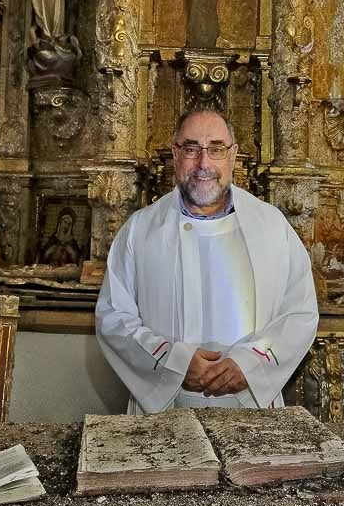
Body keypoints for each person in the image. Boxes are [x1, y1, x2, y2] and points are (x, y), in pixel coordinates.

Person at [96, 110, 318, 413]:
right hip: (164, 409)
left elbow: (300, 313)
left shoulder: (271, 226)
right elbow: (113, 317)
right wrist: (173, 363)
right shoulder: (140, 230)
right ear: (175, 154)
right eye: (191, 149)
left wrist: (251, 365)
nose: (203, 164)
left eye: (215, 149)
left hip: (250, 406)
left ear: (233, 155)